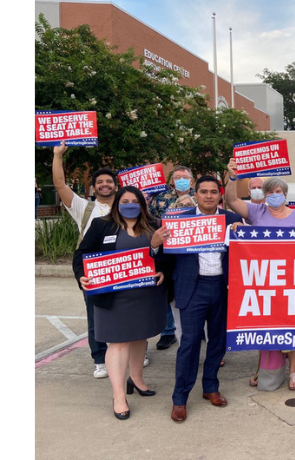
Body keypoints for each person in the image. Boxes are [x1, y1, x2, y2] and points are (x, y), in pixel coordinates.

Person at [73, 186, 170, 420]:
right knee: (117, 343)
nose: (130, 205)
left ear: (142, 204)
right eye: (124, 201)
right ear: (117, 203)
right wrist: (81, 275)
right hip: (113, 296)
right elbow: (81, 254)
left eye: (134, 201)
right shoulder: (102, 225)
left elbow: (168, 257)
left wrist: (161, 266)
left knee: (139, 337)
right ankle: (118, 396)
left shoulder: (155, 225)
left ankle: (136, 379)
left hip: (145, 295)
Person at [224, 161, 295, 391]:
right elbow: (231, 200)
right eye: (270, 192)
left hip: (291, 279)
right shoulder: (257, 211)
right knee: (263, 322)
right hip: (262, 279)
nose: (274, 195)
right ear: (264, 195)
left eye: (278, 191)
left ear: (284, 193)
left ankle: (293, 369)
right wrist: (232, 177)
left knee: (291, 324)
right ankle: (262, 367)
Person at [159, 175, 244, 423]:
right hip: (192, 288)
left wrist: (242, 234)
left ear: (219, 195)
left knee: (218, 341)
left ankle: (210, 387)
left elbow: (246, 252)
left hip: (222, 287)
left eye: (213, 192)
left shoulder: (231, 220)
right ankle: (179, 399)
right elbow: (166, 255)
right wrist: (156, 246)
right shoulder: (179, 220)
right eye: (203, 191)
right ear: (195, 194)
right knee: (190, 343)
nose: (208, 196)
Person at [51, 142, 134, 378]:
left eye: (109, 181)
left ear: (116, 186)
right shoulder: (84, 208)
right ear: (94, 187)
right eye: (100, 182)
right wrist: (58, 156)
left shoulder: (129, 208)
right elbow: (60, 184)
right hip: (95, 272)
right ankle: (100, 359)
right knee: (95, 316)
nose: (104, 185)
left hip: (126, 269)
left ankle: (134, 354)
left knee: (130, 313)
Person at [149, 165, 198, 351]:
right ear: (171, 181)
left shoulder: (200, 196)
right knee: (171, 296)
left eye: (185, 177)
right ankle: (168, 332)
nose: (181, 180)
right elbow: (150, 223)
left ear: (191, 180)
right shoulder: (160, 199)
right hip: (169, 253)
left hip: (195, 253)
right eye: (177, 177)